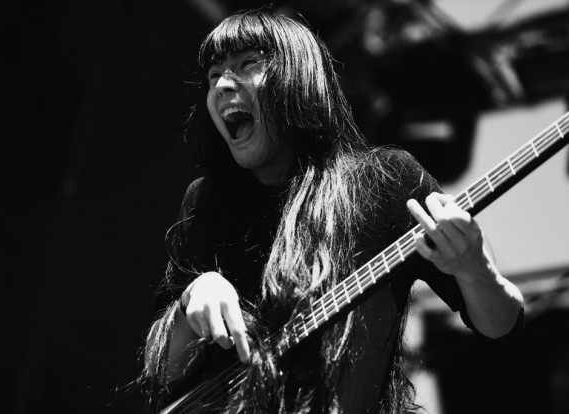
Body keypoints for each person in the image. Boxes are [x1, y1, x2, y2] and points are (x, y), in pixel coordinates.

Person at [142, 8, 524, 414]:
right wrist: (192, 299)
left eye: (246, 64)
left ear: (298, 75)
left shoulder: (388, 183)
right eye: (213, 74)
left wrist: (474, 270)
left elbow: (501, 326)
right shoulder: (205, 203)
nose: (221, 84)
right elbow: (163, 370)